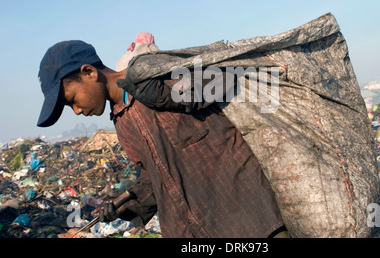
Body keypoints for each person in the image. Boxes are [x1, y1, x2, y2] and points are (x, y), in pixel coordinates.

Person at [37, 40, 288, 238]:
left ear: (89, 72)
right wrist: (125, 203)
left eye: (71, 100)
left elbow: (224, 78)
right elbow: (157, 177)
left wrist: (164, 92)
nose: (77, 111)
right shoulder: (122, 121)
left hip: (250, 224)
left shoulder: (153, 75)